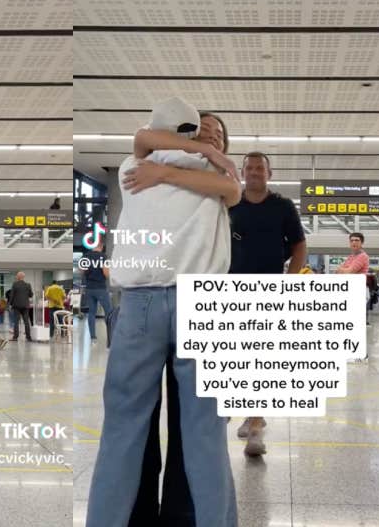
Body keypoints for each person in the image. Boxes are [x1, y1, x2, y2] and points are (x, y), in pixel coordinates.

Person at [87, 98, 240, 527]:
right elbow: (144, 138)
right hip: (197, 303)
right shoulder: (212, 171)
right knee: (205, 433)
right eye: (203, 130)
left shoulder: (134, 169)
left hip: (141, 305)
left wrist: (172, 167)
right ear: (187, 132)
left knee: (123, 429)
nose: (211, 136)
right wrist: (206, 153)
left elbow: (143, 139)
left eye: (217, 134)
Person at [227, 150, 306, 457]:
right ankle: (249, 411)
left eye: (261, 168)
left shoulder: (283, 206)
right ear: (242, 172)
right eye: (250, 167)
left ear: (269, 174)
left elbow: (299, 245)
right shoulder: (231, 203)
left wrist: (292, 281)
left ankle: (256, 428)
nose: (256, 171)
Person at [80, 240, 112, 344]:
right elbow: (105, 272)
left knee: (91, 313)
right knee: (109, 312)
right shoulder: (103, 256)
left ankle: (93, 338)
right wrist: (109, 277)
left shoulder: (85, 256)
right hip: (100, 288)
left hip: (89, 289)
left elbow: (82, 270)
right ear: (101, 246)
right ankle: (110, 338)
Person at [7, 271, 35, 342]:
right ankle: (28, 337)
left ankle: (15, 337)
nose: (16, 277)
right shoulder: (28, 285)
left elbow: (12, 295)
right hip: (25, 306)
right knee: (26, 321)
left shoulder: (15, 284)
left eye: (17, 276)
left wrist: (9, 304)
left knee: (16, 321)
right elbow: (31, 295)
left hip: (16, 306)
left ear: (19, 277)